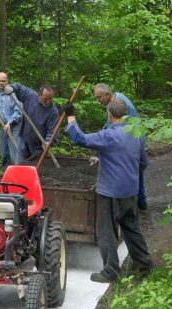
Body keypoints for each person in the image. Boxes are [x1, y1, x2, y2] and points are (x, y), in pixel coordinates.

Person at [64, 99, 153, 282]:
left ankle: (111, 271)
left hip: (110, 192)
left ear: (109, 115)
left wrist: (70, 116)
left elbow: (79, 138)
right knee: (132, 228)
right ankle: (144, 265)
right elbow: (143, 162)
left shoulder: (108, 136)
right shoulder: (135, 134)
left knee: (106, 232)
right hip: (130, 190)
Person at [93, 83, 148, 211]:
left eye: (99, 97)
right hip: (131, 137)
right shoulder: (114, 101)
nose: (98, 100)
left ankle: (138, 202)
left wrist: (98, 149)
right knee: (133, 169)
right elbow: (111, 126)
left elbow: (118, 130)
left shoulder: (120, 102)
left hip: (134, 138)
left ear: (108, 94)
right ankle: (140, 202)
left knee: (133, 169)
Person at [8, 82, 60, 164]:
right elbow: (19, 87)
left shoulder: (53, 112)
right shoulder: (31, 97)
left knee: (37, 170)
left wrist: (48, 142)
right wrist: (11, 88)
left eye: (50, 98)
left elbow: (53, 130)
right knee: (20, 166)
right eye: (45, 98)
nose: (48, 101)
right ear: (39, 95)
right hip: (23, 141)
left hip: (38, 147)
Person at [0, 71, 22, 170]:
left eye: (3, 80)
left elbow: (19, 110)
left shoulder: (12, 93)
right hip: (4, 126)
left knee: (13, 152)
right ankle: (5, 172)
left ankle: (16, 172)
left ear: (7, 81)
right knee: (3, 151)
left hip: (15, 126)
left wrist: (10, 122)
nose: (1, 83)